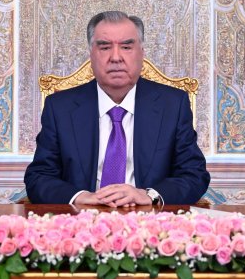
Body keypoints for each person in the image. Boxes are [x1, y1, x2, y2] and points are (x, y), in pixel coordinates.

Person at [24, 11, 210, 206]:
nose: (116, 57)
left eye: (126, 47)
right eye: (105, 47)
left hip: (149, 218)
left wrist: (149, 196)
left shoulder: (172, 105)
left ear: (141, 53)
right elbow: (39, 177)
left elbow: (194, 174)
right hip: (83, 217)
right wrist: (81, 197)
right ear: (91, 54)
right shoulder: (60, 107)